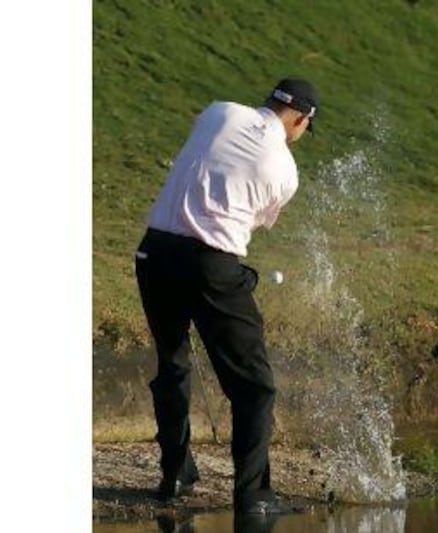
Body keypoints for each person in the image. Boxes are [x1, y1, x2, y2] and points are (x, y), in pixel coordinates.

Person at [134, 78, 319, 515]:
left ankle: (174, 474)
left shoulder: (220, 110)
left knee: (173, 362)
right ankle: (253, 495)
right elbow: (247, 225)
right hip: (211, 265)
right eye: (305, 128)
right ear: (299, 118)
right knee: (254, 387)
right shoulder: (285, 170)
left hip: (153, 251)